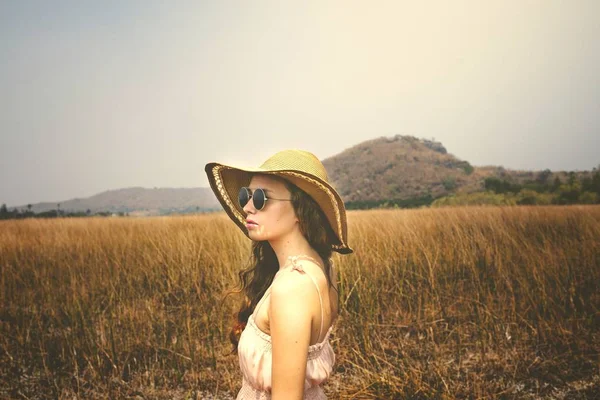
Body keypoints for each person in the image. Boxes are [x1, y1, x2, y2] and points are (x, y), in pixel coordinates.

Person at [205, 149, 353, 399]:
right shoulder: (320, 265)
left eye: (262, 198)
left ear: (300, 210)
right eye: (246, 195)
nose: (248, 207)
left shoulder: (292, 287)